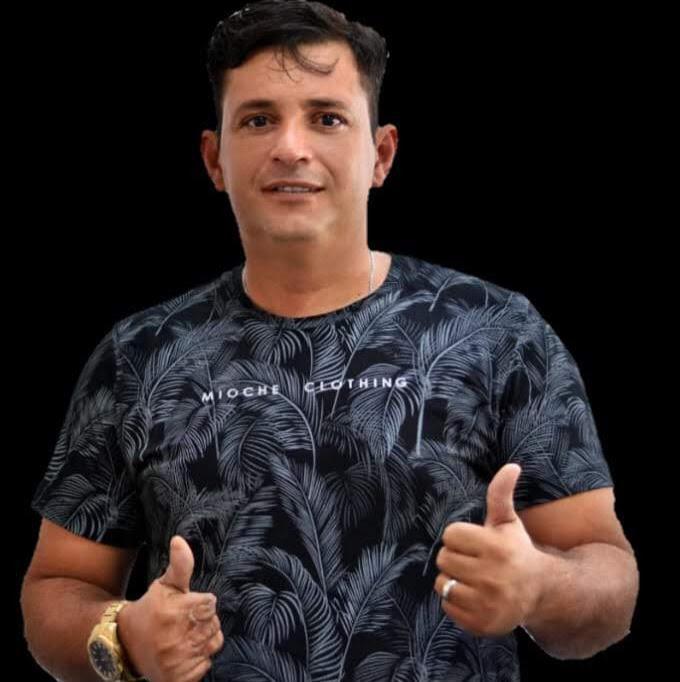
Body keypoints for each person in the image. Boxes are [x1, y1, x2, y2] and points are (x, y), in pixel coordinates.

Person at [22, 1, 639, 681]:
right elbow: (56, 588)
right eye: (258, 119)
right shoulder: (140, 357)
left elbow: (608, 578)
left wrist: (540, 587)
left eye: (327, 118)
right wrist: (122, 636)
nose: (291, 147)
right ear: (214, 159)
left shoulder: (496, 333)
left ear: (382, 154)